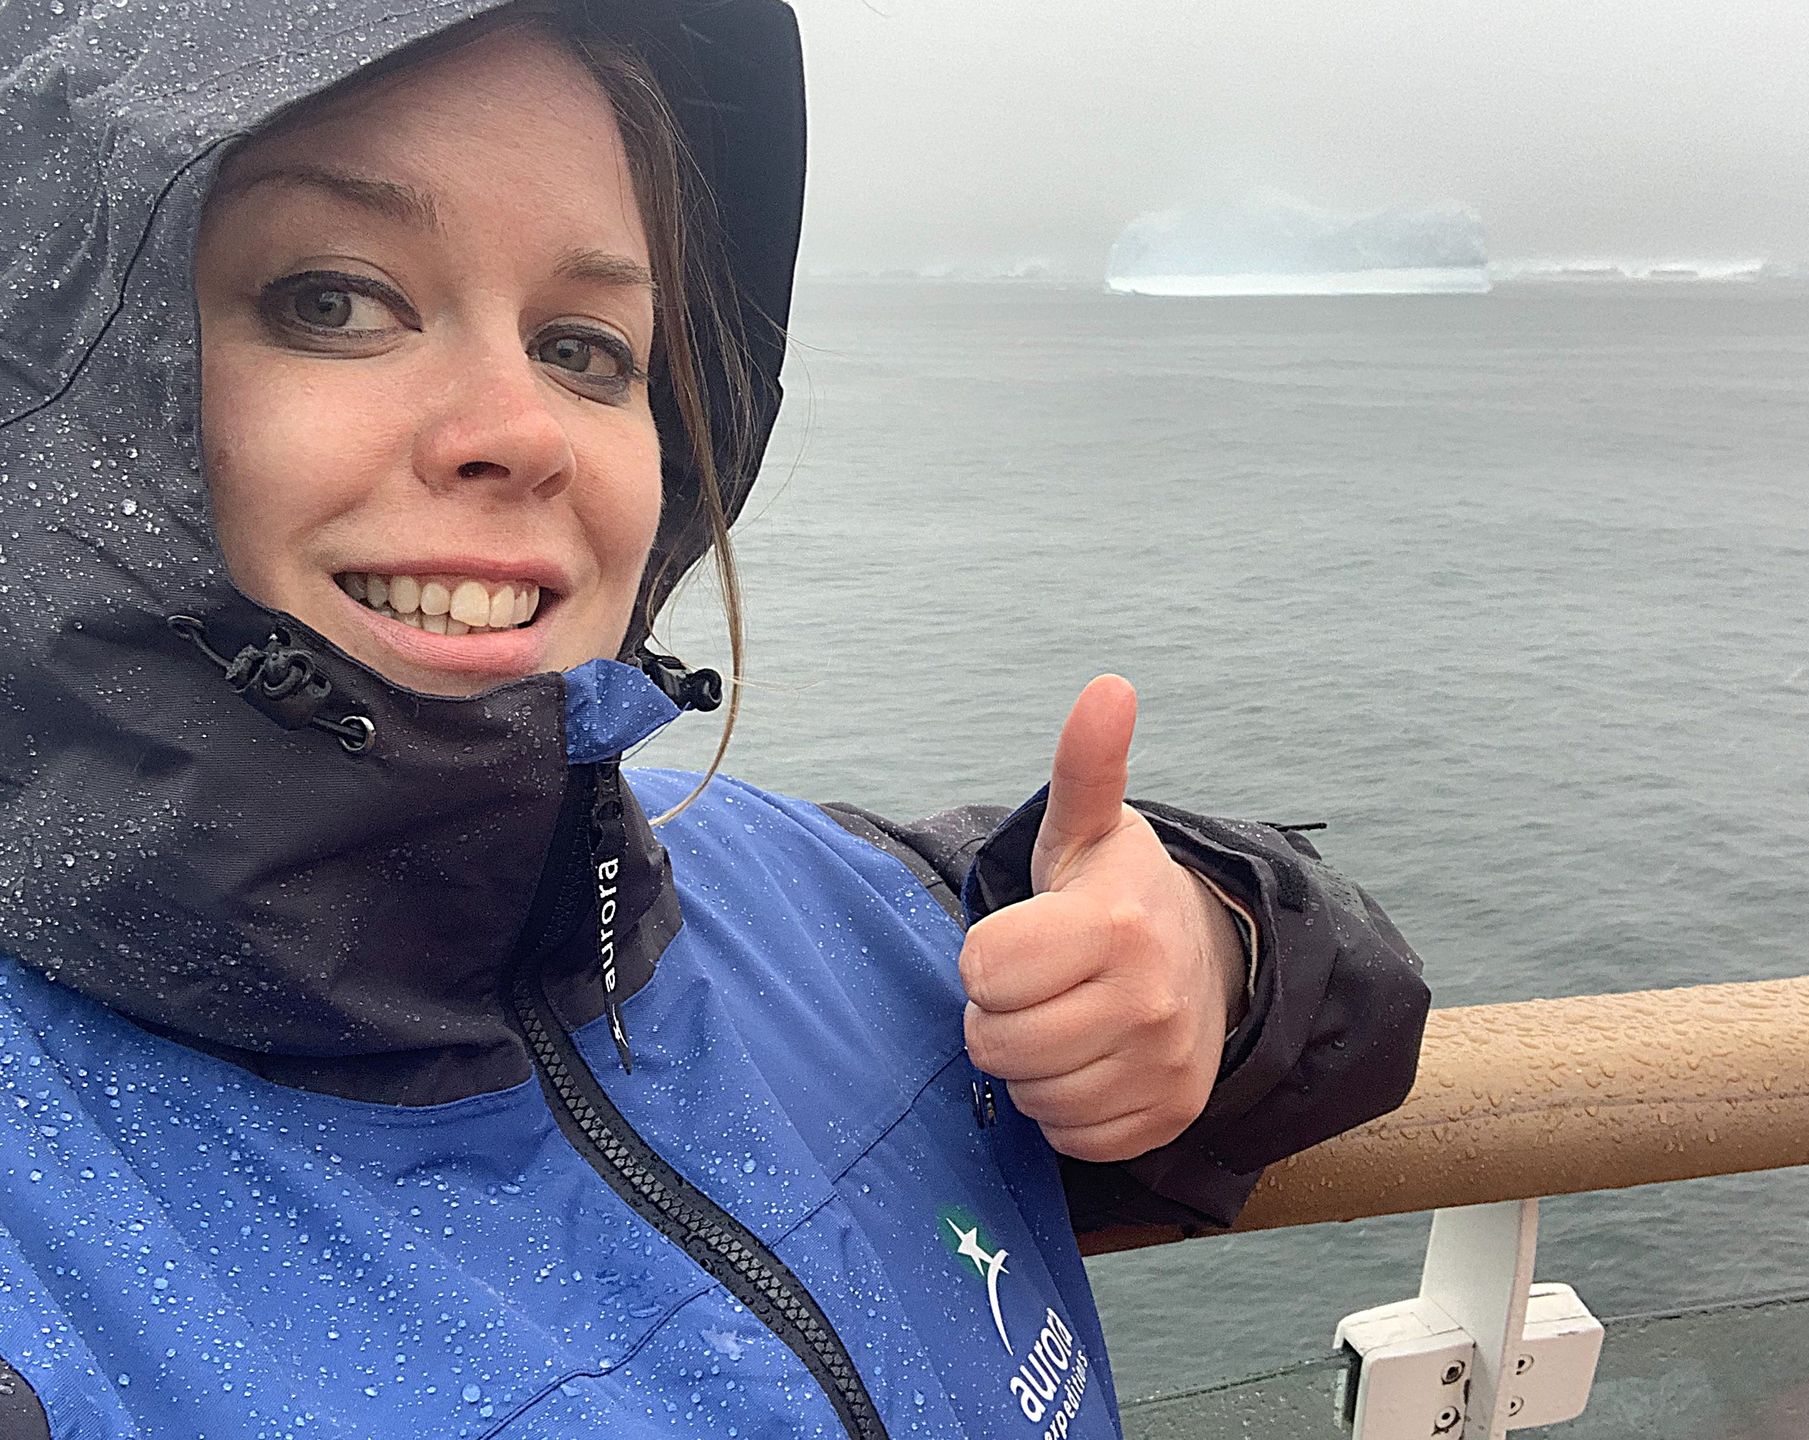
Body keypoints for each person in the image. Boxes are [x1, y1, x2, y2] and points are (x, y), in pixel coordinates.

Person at [0, 0, 1429, 1435]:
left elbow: (1344, 1001)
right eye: (334, 300)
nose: (527, 428)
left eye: (584, 346)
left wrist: (1207, 944)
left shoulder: (824, 907)